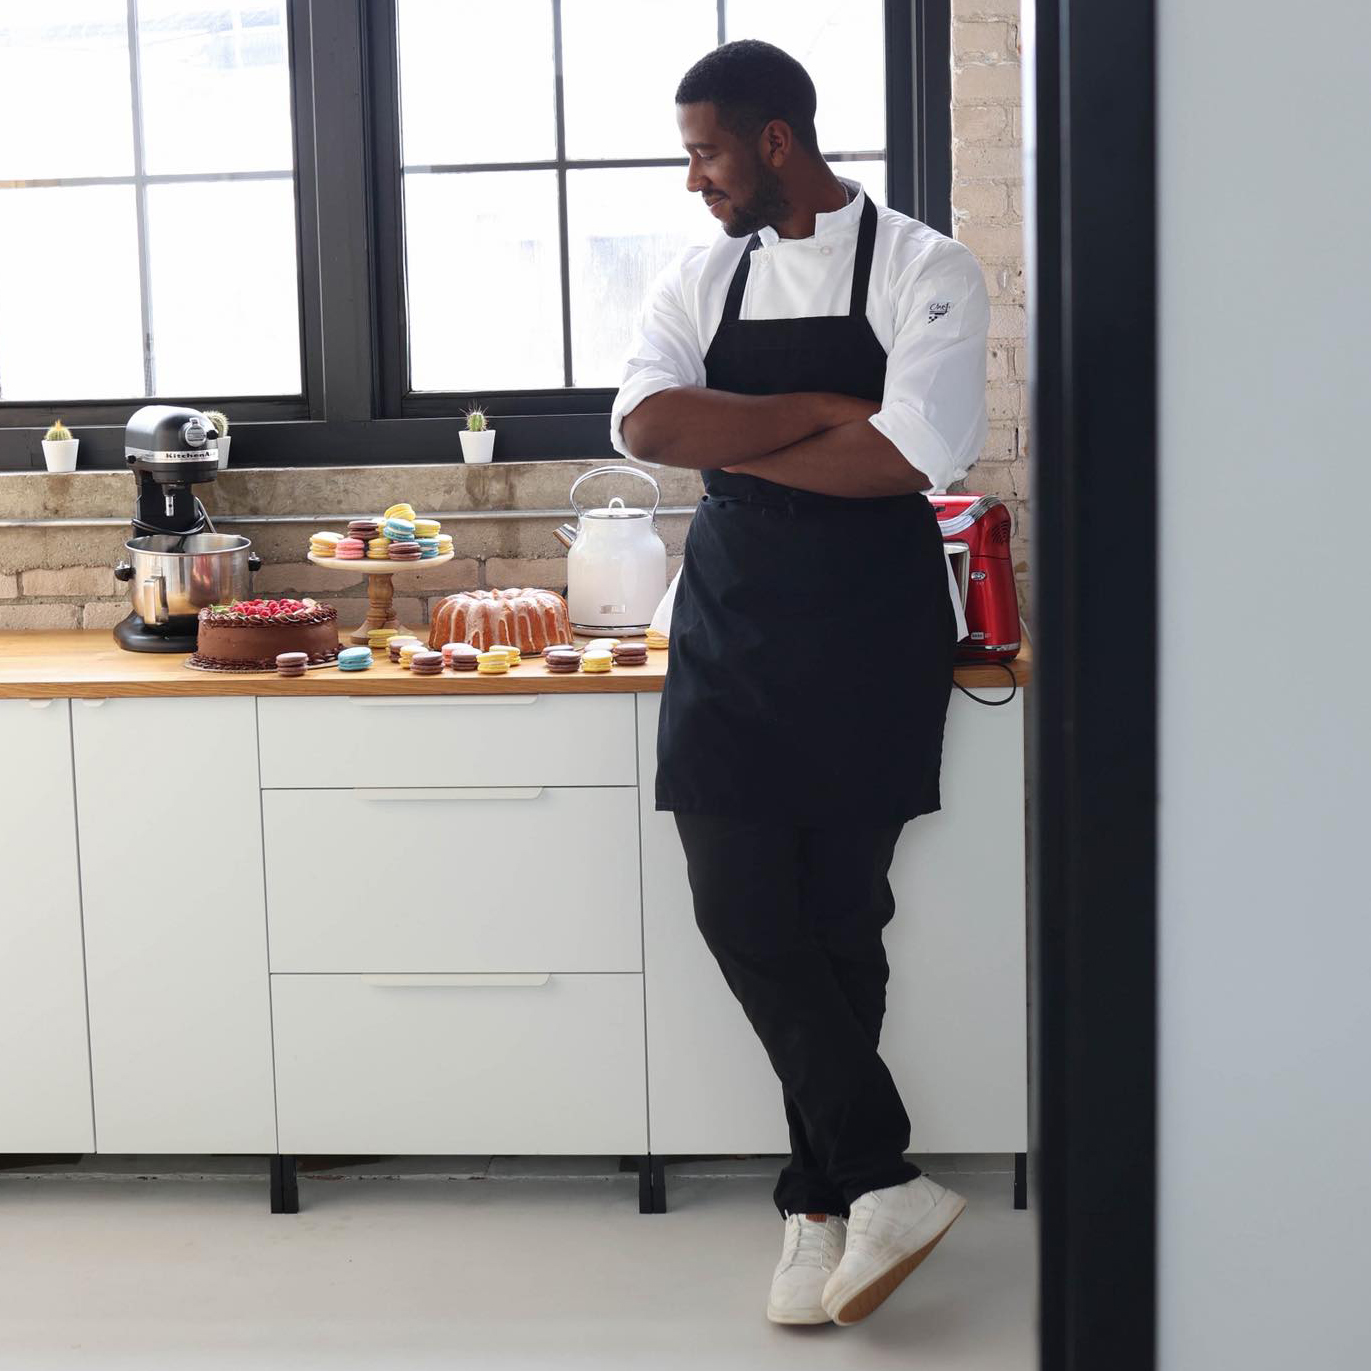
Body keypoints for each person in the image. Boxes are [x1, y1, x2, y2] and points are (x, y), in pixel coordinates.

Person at [610, 40, 990, 1327]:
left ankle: (819, 1212)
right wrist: (830, 405)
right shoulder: (700, 272)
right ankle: (879, 1176)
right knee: (742, 912)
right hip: (729, 626)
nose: (695, 179)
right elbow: (651, 429)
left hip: (871, 629)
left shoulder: (929, 266)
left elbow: (908, 461)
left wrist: (755, 433)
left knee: (840, 927)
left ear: (778, 140)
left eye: (707, 151)